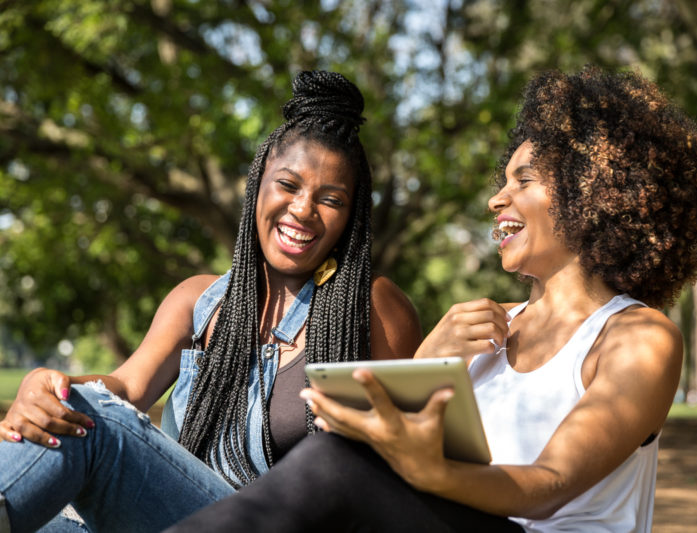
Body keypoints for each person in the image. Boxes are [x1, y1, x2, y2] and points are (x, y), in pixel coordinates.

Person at [166, 66, 697, 532]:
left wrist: (422, 468)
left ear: (594, 194)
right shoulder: (487, 327)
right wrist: (429, 354)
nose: (496, 197)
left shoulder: (638, 338)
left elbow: (548, 486)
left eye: (523, 180)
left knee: (333, 465)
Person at [0, 70, 422, 532]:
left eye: (332, 199)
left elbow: (404, 468)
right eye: (288, 185)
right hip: (182, 519)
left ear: (351, 218)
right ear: (258, 184)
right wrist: (48, 387)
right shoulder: (199, 300)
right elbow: (126, 387)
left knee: (88, 418)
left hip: (275, 523)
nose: (303, 209)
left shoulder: (374, 308)